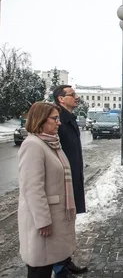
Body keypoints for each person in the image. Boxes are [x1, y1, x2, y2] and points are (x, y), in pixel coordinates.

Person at [18, 102, 76, 278]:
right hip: (43, 221)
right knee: (39, 270)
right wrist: (43, 221)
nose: (58, 122)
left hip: (55, 218)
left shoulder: (52, 143)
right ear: (40, 120)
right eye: (54, 118)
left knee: (47, 264)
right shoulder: (33, 145)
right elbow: (32, 188)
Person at [53, 85, 88, 277]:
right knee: (61, 224)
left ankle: (65, 261)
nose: (76, 97)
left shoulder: (69, 118)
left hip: (72, 178)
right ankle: (59, 267)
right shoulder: (56, 120)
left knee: (68, 223)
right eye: (72, 94)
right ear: (60, 99)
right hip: (61, 182)